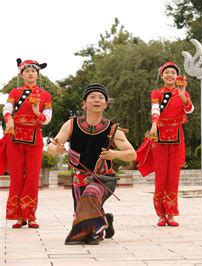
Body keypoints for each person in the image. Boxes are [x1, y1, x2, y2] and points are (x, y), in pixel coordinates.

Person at [47, 83, 136, 244]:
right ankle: (105, 221)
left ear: (106, 104)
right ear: (84, 103)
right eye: (92, 97)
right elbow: (51, 147)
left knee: (91, 194)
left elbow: (132, 154)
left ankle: (95, 230)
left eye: (101, 98)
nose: (97, 100)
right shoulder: (71, 124)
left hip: (104, 179)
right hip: (78, 179)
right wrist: (57, 149)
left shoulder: (113, 129)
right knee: (82, 219)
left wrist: (115, 153)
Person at [2, 58, 51, 229]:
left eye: (33, 71)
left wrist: (38, 112)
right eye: (27, 71)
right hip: (14, 137)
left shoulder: (45, 95)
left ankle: (30, 215)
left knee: (31, 177)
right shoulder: (15, 92)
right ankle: (18, 217)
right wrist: (8, 119)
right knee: (16, 177)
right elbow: (7, 108)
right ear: (22, 74)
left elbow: (47, 119)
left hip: (35, 139)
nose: (30, 73)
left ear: (37, 74)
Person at [148, 61, 194, 227]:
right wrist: (154, 125)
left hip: (177, 136)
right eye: (166, 72)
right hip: (159, 135)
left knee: (173, 176)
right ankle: (161, 214)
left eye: (172, 73)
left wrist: (182, 94)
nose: (169, 75)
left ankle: (171, 213)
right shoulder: (157, 93)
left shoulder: (183, 93)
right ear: (162, 76)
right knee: (161, 176)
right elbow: (155, 109)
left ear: (177, 76)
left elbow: (189, 109)